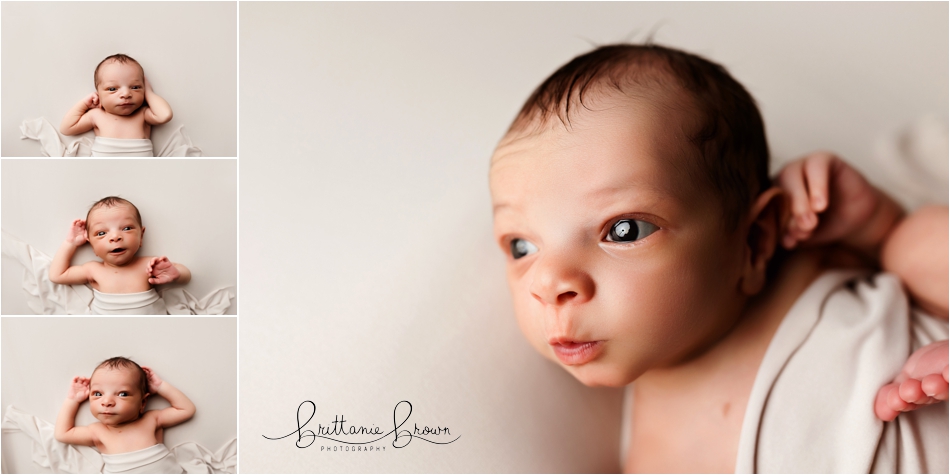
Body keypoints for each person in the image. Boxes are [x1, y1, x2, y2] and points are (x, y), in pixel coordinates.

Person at [489, 43, 947, 472]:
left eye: (623, 230)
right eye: (521, 247)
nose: (549, 282)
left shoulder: (810, 264)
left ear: (755, 242)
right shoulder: (641, 451)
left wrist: (880, 229)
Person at [49, 196, 190, 314]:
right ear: (91, 244)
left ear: (141, 236)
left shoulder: (149, 265)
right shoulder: (93, 270)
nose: (115, 237)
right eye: (101, 233)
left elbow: (187, 276)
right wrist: (71, 243)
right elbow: (57, 275)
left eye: (127, 228)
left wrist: (176, 274)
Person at [54, 357, 195, 473]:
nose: (107, 402)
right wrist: (72, 400)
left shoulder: (151, 419)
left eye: (123, 394)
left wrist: (160, 386)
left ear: (143, 402)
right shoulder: (98, 431)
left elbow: (186, 409)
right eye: (98, 394)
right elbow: (62, 434)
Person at [60, 54, 172, 157]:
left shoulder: (142, 114)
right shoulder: (97, 115)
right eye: (112, 89)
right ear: (98, 94)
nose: (126, 94)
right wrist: (84, 104)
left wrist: (149, 92)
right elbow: (66, 128)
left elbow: (165, 115)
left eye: (135, 87)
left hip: (141, 171)